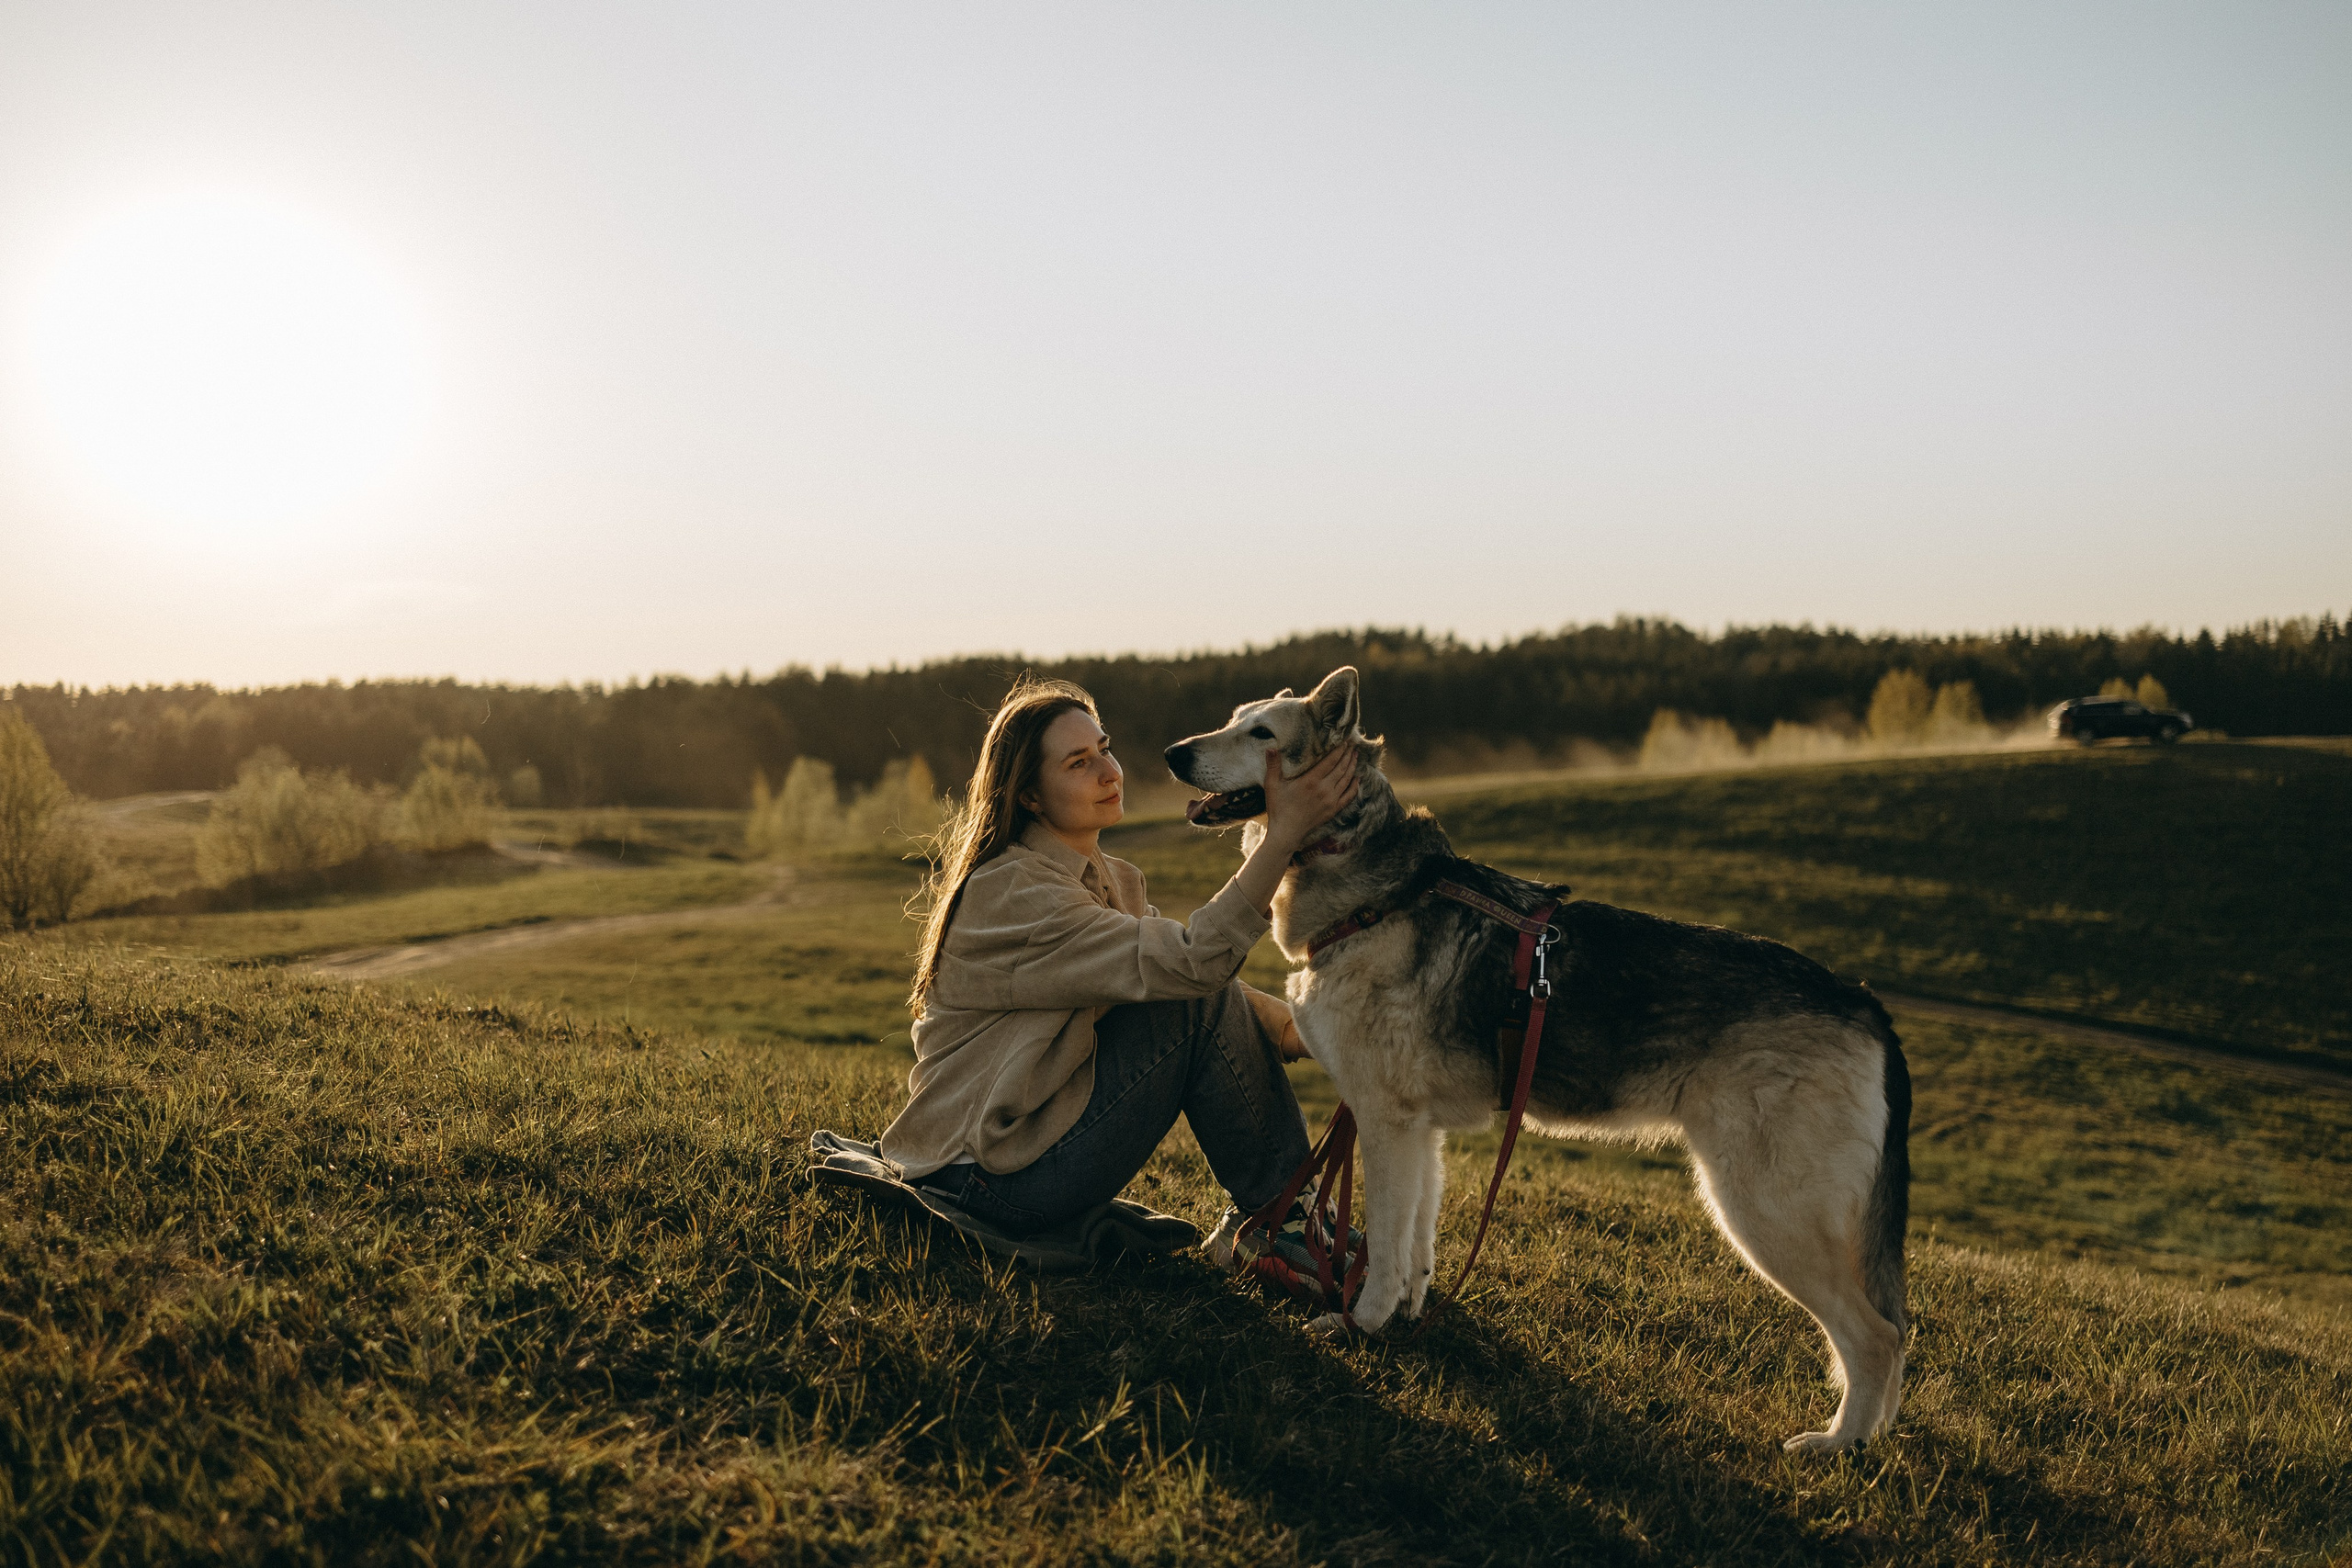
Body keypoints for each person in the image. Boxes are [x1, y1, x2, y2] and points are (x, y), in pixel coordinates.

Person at [878, 675, 1358, 1248]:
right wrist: (1282, 838)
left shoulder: (1112, 880)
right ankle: (1286, 1226)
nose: (1109, 772)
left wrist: (1323, 1034)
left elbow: (1197, 985)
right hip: (981, 1177)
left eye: (1104, 749)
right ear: (1028, 796)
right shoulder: (1013, 890)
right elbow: (1195, 969)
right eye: (1078, 763)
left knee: (1191, 995)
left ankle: (1288, 1218)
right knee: (1191, 995)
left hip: (1018, 1157)